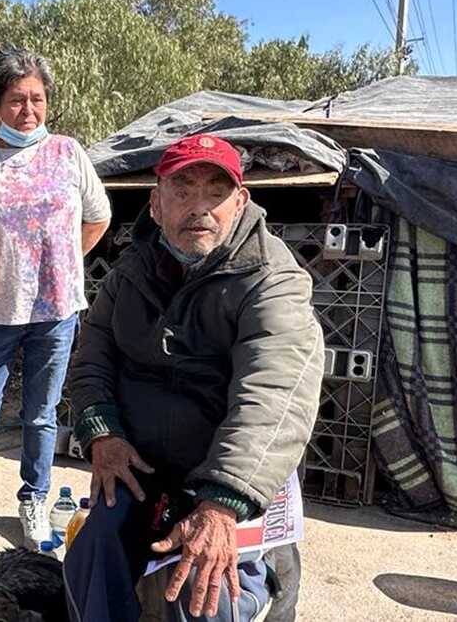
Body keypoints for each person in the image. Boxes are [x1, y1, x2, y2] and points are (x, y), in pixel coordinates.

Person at [62, 134, 324, 622]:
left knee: (208, 596)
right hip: (144, 466)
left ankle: (263, 584)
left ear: (240, 202)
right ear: (156, 204)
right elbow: (93, 357)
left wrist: (223, 502)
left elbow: (273, 398)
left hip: (227, 475)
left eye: (215, 193)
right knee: (90, 556)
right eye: (182, 192)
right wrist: (103, 434)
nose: (199, 207)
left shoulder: (272, 281)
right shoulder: (130, 272)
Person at [0, 47, 112, 549]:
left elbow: (98, 217)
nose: (28, 109)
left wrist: (60, 263)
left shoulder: (69, 153)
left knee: (41, 412)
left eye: (37, 98)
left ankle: (34, 497)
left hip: (56, 311)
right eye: (16, 100)